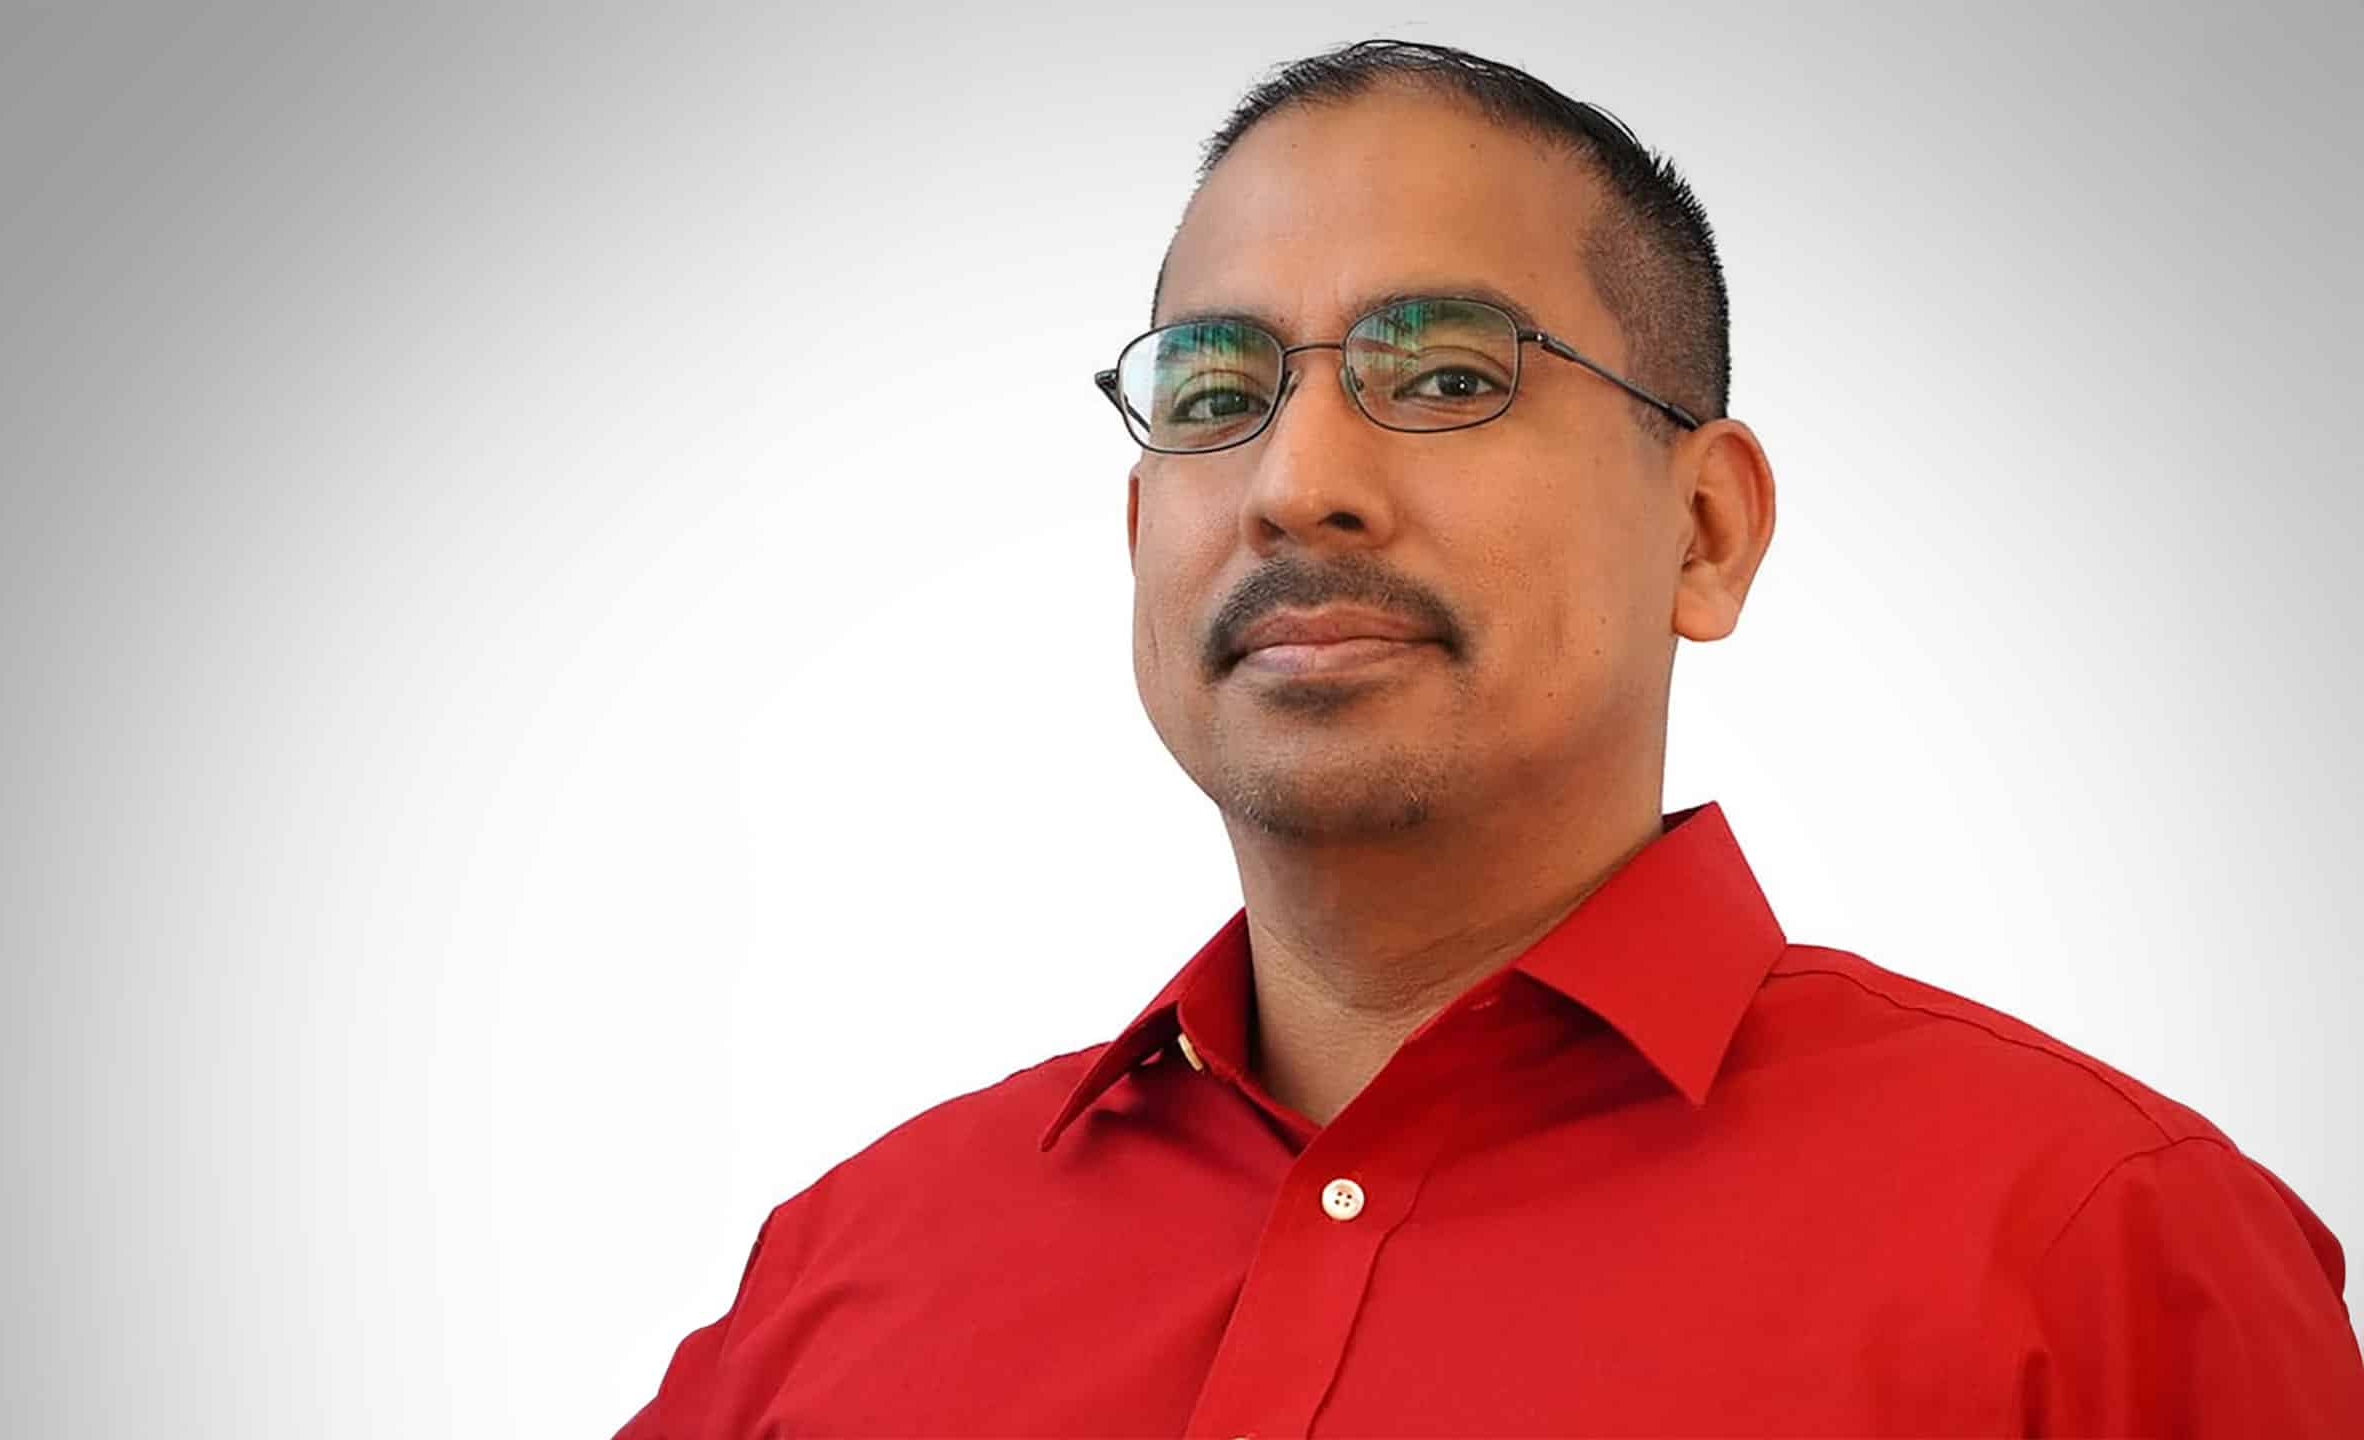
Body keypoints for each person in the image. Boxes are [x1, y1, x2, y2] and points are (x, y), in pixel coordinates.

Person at [617, 38, 2364, 1437]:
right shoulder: (847, 1272)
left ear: (1704, 529)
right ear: (1137, 532)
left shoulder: (2104, 1252)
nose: (1299, 484)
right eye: (1219, 396)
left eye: (1446, 376)